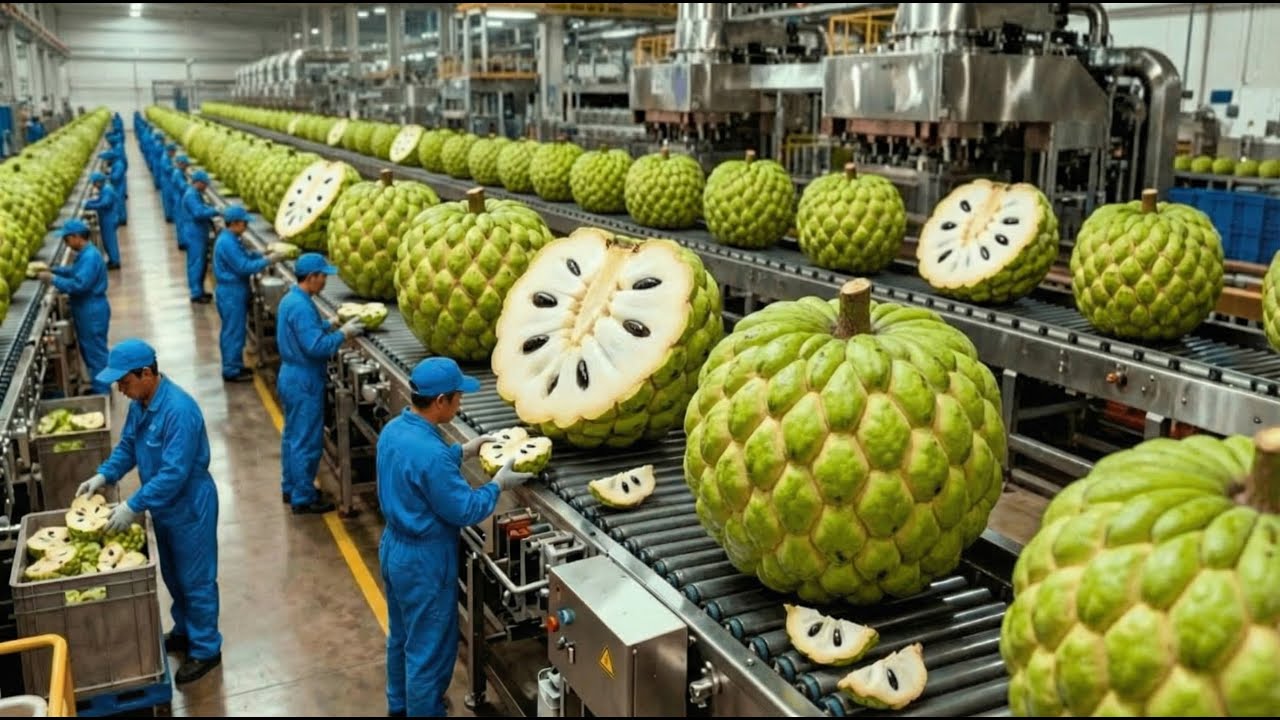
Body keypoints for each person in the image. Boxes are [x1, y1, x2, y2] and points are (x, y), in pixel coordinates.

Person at [377, 357, 535, 717]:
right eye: (458, 397)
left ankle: (399, 706)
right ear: (440, 401)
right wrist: (497, 485)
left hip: (394, 549)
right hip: (424, 562)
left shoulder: (395, 430)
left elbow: (418, 467)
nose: (461, 403)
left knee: (402, 637)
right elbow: (465, 509)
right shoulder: (431, 455)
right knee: (428, 652)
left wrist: (463, 451)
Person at [74, 339, 223, 685]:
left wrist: (132, 505)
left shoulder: (179, 411)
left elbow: (174, 474)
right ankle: (185, 631)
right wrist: (104, 474)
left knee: (196, 581)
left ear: (146, 373)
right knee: (173, 575)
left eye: (124, 382)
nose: (120, 390)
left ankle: (206, 649)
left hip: (190, 505)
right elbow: (128, 446)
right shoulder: (141, 404)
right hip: (164, 506)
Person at [276, 253, 365, 513]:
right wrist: (342, 335)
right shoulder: (302, 307)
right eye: (323, 276)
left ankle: (291, 487)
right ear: (311, 277)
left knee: (293, 436)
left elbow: (307, 330)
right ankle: (303, 498)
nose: (325, 281)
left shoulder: (293, 299)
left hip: (291, 375)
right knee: (306, 440)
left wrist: (330, 323)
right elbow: (316, 347)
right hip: (304, 381)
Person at [34, 219, 111, 395]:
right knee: (90, 351)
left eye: (66, 239)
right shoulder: (86, 254)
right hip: (87, 309)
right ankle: (99, 386)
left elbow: (79, 285)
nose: (66, 244)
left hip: (91, 310)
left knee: (95, 353)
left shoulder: (90, 257)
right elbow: (74, 272)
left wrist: (53, 279)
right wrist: (54, 270)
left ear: (76, 237)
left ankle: (102, 391)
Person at [212, 205, 285, 381]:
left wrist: (261, 254)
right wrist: (268, 260)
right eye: (244, 223)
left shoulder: (231, 239)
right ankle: (231, 370)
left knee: (234, 330)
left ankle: (234, 365)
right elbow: (244, 267)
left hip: (233, 290)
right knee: (233, 331)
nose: (246, 227)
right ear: (235, 223)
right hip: (231, 293)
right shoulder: (227, 242)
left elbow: (244, 256)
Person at [178, 170, 220, 302]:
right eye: (205, 184)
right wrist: (215, 210)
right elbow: (198, 213)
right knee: (196, 264)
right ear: (199, 182)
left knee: (200, 264)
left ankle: (200, 290)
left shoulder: (195, 194)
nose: (206, 187)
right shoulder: (191, 195)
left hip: (198, 233)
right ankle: (196, 293)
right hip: (194, 235)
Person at [83, 172, 121, 269]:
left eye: (94, 183)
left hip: (109, 219)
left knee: (110, 241)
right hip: (106, 218)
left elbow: (105, 204)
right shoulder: (104, 189)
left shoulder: (107, 190)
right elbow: (100, 200)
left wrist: (90, 205)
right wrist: (90, 202)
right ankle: (112, 259)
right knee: (107, 241)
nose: (94, 185)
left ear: (99, 182)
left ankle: (115, 261)